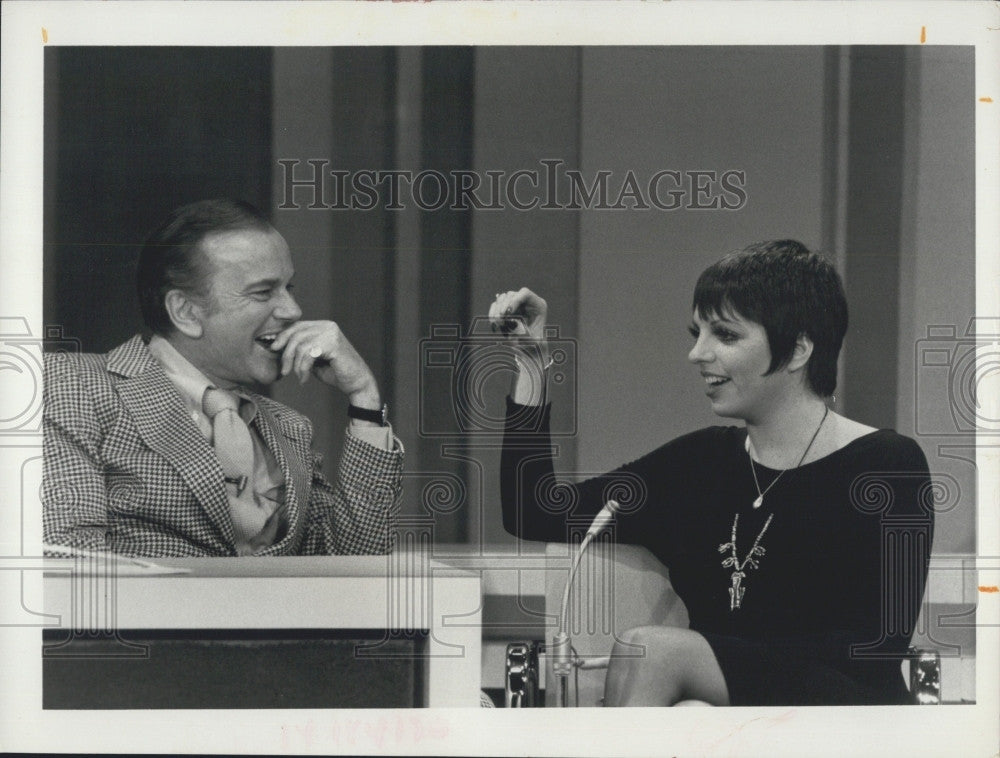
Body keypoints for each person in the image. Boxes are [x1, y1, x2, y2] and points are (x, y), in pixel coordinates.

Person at [492, 240, 934, 706]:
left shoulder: (887, 463)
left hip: (848, 719)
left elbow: (875, 648)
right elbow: (534, 510)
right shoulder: (697, 466)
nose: (697, 354)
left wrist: (697, 670)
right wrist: (531, 363)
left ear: (798, 349)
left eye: (724, 335)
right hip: (717, 719)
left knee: (654, 652)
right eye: (696, 333)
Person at [43, 199, 403, 557]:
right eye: (263, 292)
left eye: (288, 289)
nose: (293, 311)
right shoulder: (72, 386)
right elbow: (72, 567)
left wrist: (364, 396)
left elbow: (358, 564)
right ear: (185, 312)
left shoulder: (289, 427)